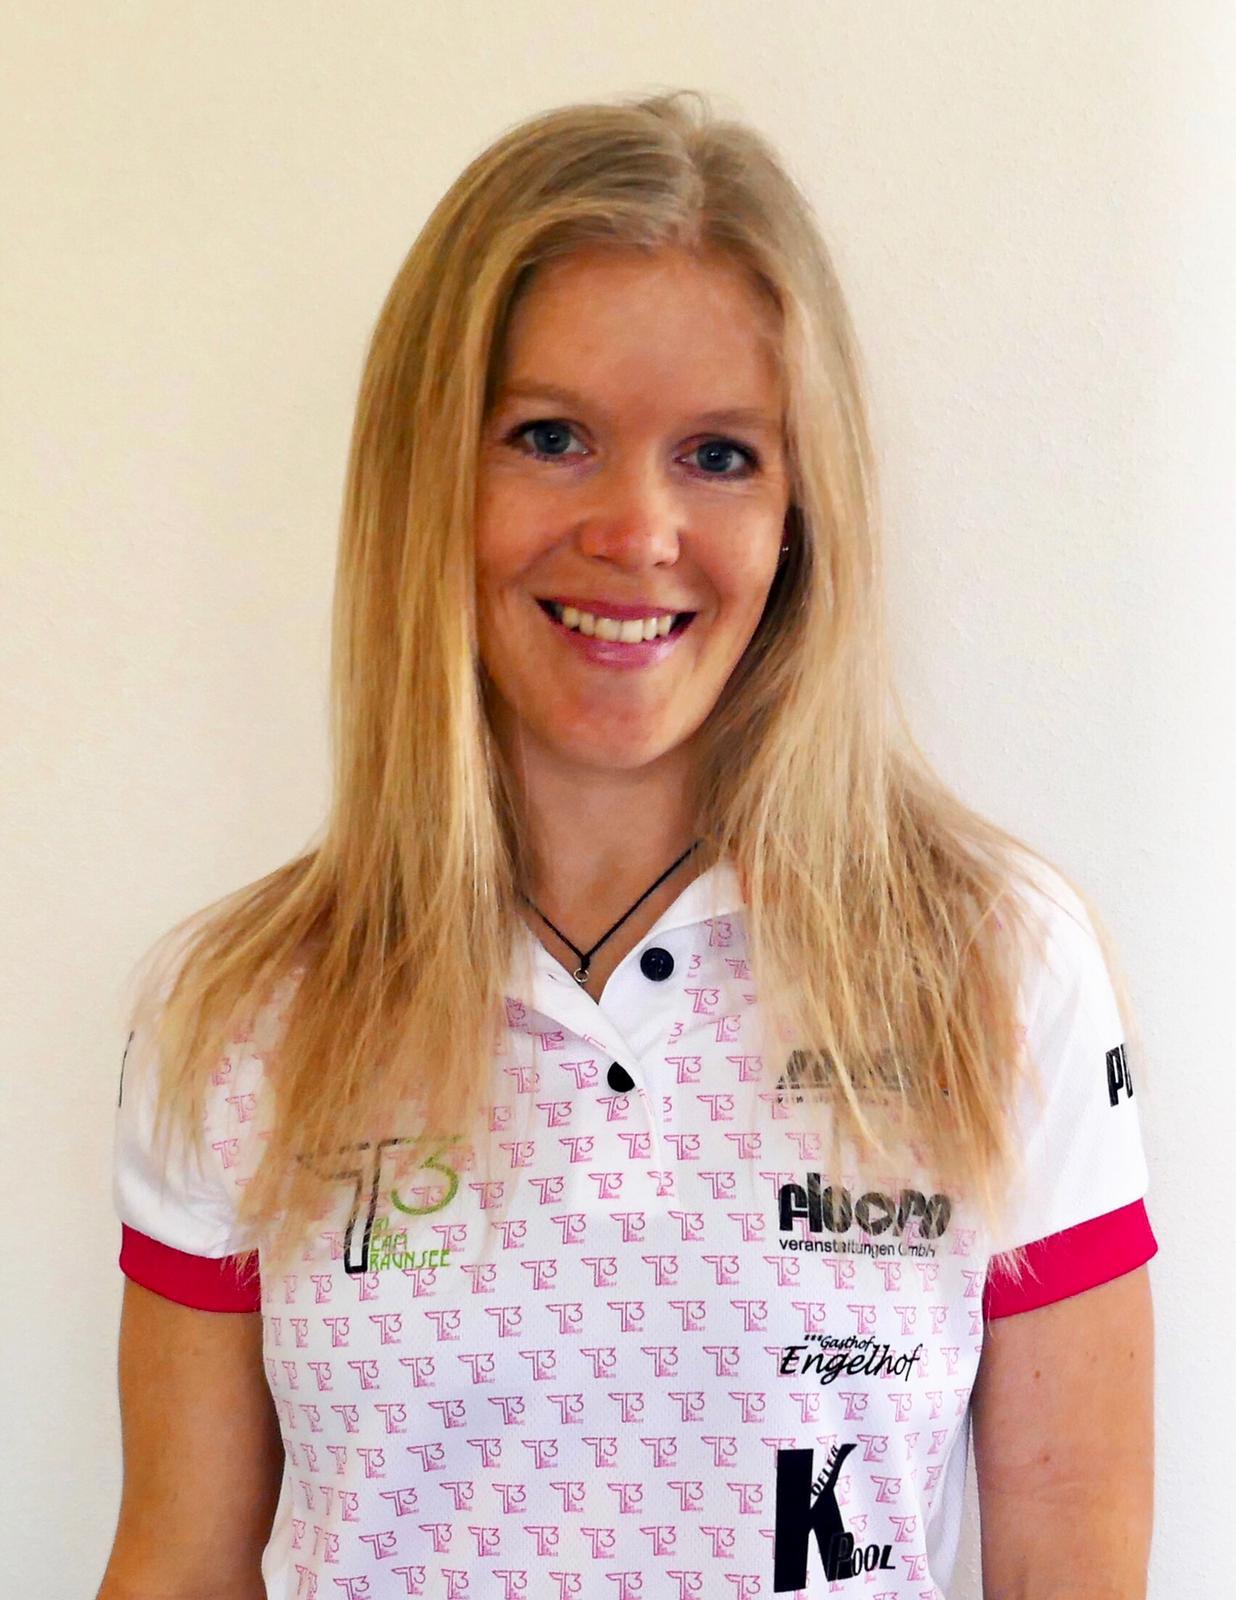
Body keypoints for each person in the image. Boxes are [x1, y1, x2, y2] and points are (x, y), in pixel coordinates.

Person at [98, 89, 1156, 1600]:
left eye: (719, 455)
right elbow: (177, 1563)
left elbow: (1076, 1569)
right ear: (427, 480)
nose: (636, 529)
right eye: (552, 438)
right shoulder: (237, 1010)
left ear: (802, 512)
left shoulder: (993, 964)